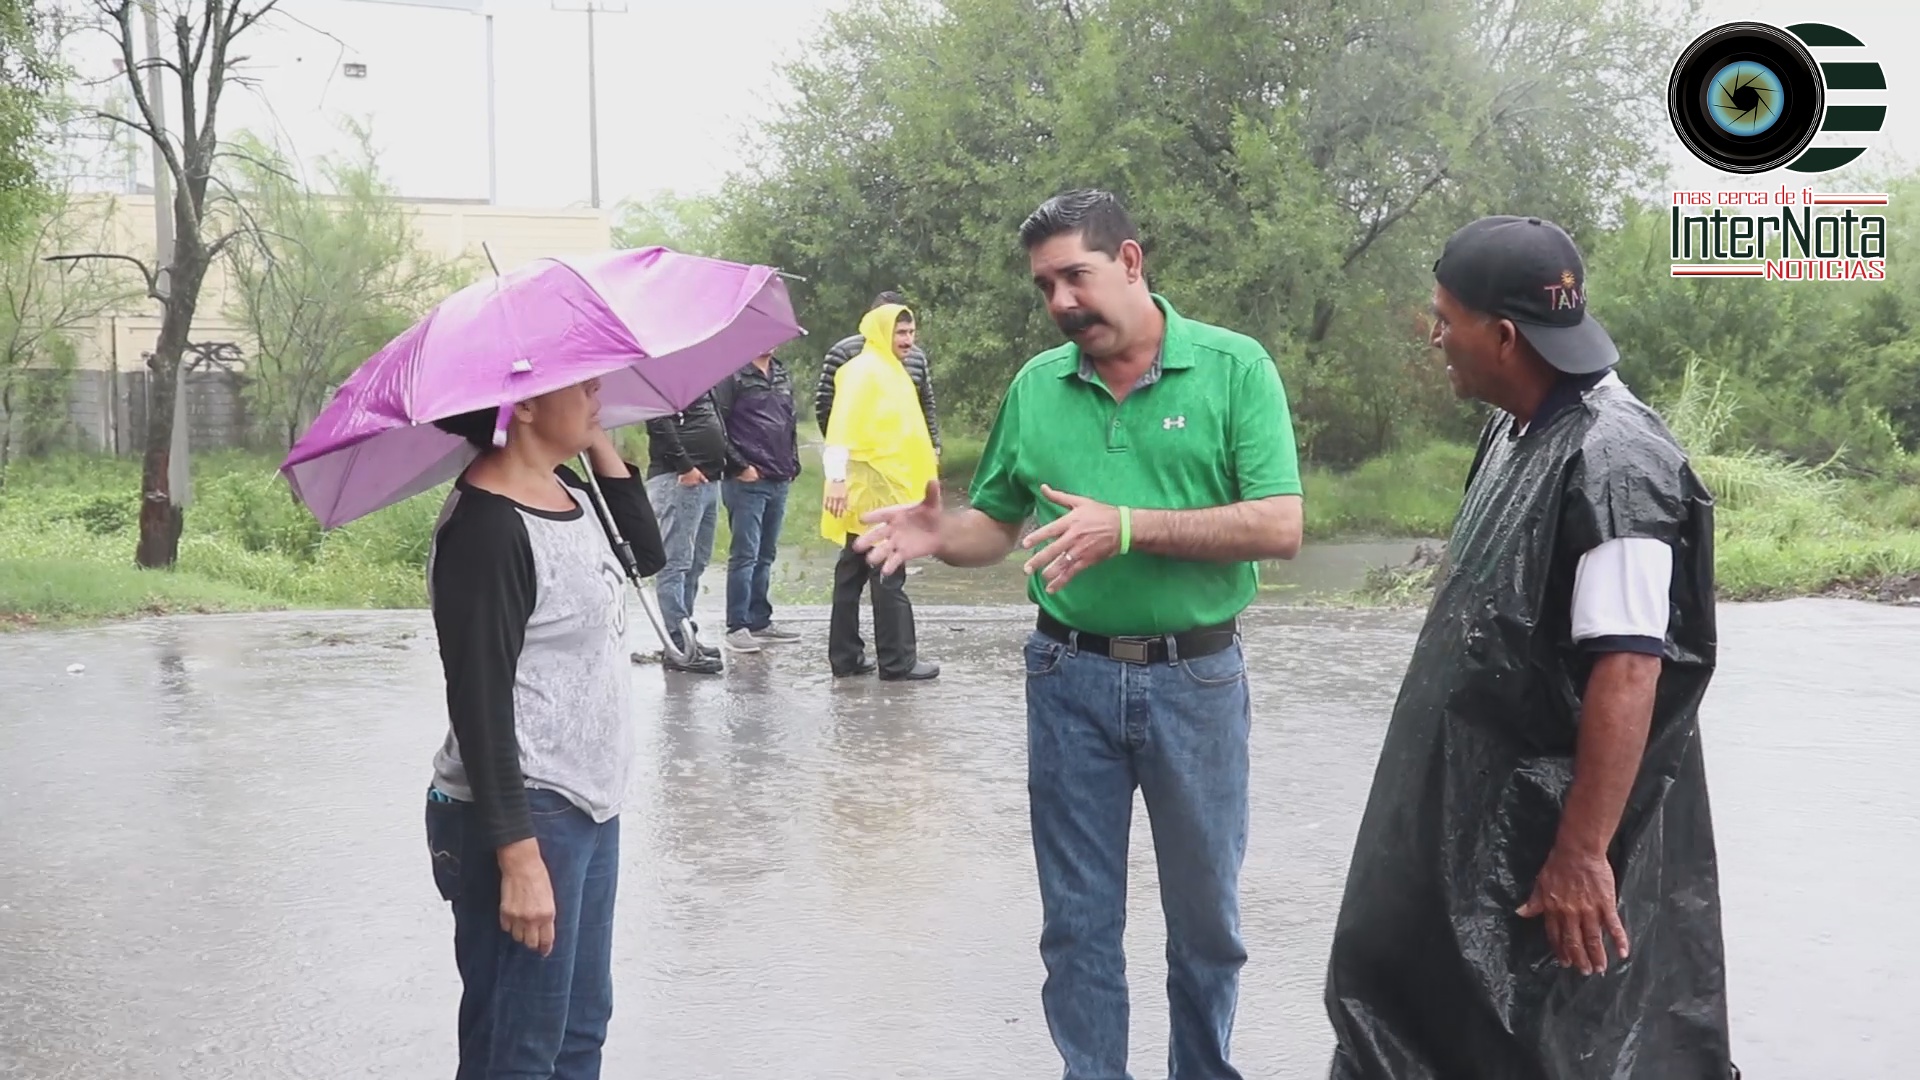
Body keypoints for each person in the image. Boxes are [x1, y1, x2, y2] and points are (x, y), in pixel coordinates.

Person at [852, 189, 1304, 1079]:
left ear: (1130, 262)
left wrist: (1128, 526)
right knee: (1078, 917)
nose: (1061, 302)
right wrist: (941, 536)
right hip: (1068, 676)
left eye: (1076, 276)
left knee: (1206, 917)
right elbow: (995, 523)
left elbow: (1279, 525)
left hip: (1197, 681)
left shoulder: (1233, 367)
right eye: (1045, 286)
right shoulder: (1036, 385)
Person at [1322, 215, 1736, 1080]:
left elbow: (1629, 669)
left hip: (1544, 840)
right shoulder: (1518, 427)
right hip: (1472, 819)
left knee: (1556, 1041)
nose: (1435, 336)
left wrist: (1583, 854)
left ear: (1503, 335)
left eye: (1445, 318)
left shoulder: (1617, 464)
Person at [421, 377, 665, 1080]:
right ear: (522, 404)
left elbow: (644, 554)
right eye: (580, 384)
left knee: (580, 1030)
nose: (599, 391)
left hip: (587, 805)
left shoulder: (569, 491)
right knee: (519, 1049)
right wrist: (518, 860)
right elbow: (480, 704)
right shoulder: (487, 529)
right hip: (525, 817)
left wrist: (593, 437)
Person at [821, 301, 942, 681]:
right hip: (874, 490)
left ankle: (846, 657)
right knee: (888, 572)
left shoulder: (891, 370)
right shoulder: (863, 371)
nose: (908, 340)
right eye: (900, 332)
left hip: (884, 486)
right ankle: (897, 661)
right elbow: (840, 425)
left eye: (910, 331)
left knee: (852, 570)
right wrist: (836, 478)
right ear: (879, 331)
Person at [710, 349, 804, 652]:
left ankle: (759, 620)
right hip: (746, 480)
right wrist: (738, 465)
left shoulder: (781, 372)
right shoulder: (732, 373)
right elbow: (716, 425)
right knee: (745, 554)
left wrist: (794, 462)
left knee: (766, 553)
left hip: (779, 477)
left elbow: (789, 421)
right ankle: (737, 625)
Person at [644, 389, 742, 675]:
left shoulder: (699, 377)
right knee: (676, 562)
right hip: (680, 479)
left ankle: (688, 636)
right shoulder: (665, 374)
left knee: (696, 562)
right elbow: (658, 421)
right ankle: (677, 644)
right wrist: (684, 465)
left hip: (708, 480)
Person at [815, 290, 943, 460]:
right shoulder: (844, 353)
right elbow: (826, 405)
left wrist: (933, 444)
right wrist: (843, 451)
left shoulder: (916, 357)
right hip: (862, 456)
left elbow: (925, 403)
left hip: (905, 456)